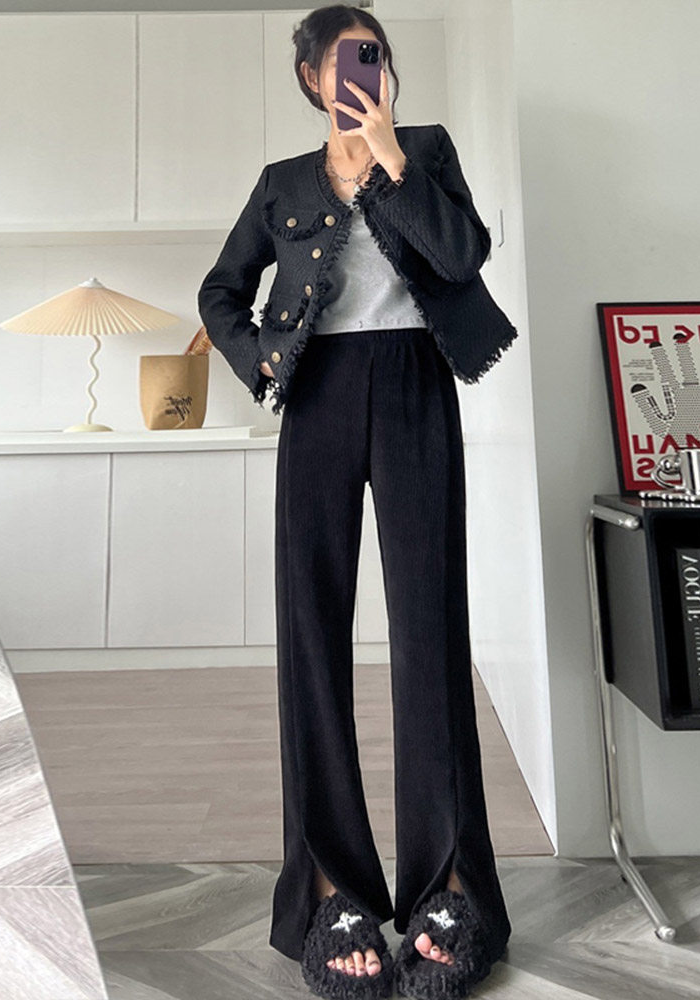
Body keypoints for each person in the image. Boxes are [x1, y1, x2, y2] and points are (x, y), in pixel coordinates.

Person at [198, 7, 516, 998]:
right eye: (345, 60)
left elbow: (461, 256)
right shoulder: (282, 184)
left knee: (430, 630)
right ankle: (331, 887)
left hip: (416, 381)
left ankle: (449, 888)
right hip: (320, 394)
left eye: (376, 56)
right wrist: (261, 361)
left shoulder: (426, 152)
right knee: (311, 633)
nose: (364, 73)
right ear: (310, 76)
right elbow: (220, 292)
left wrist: (391, 160)